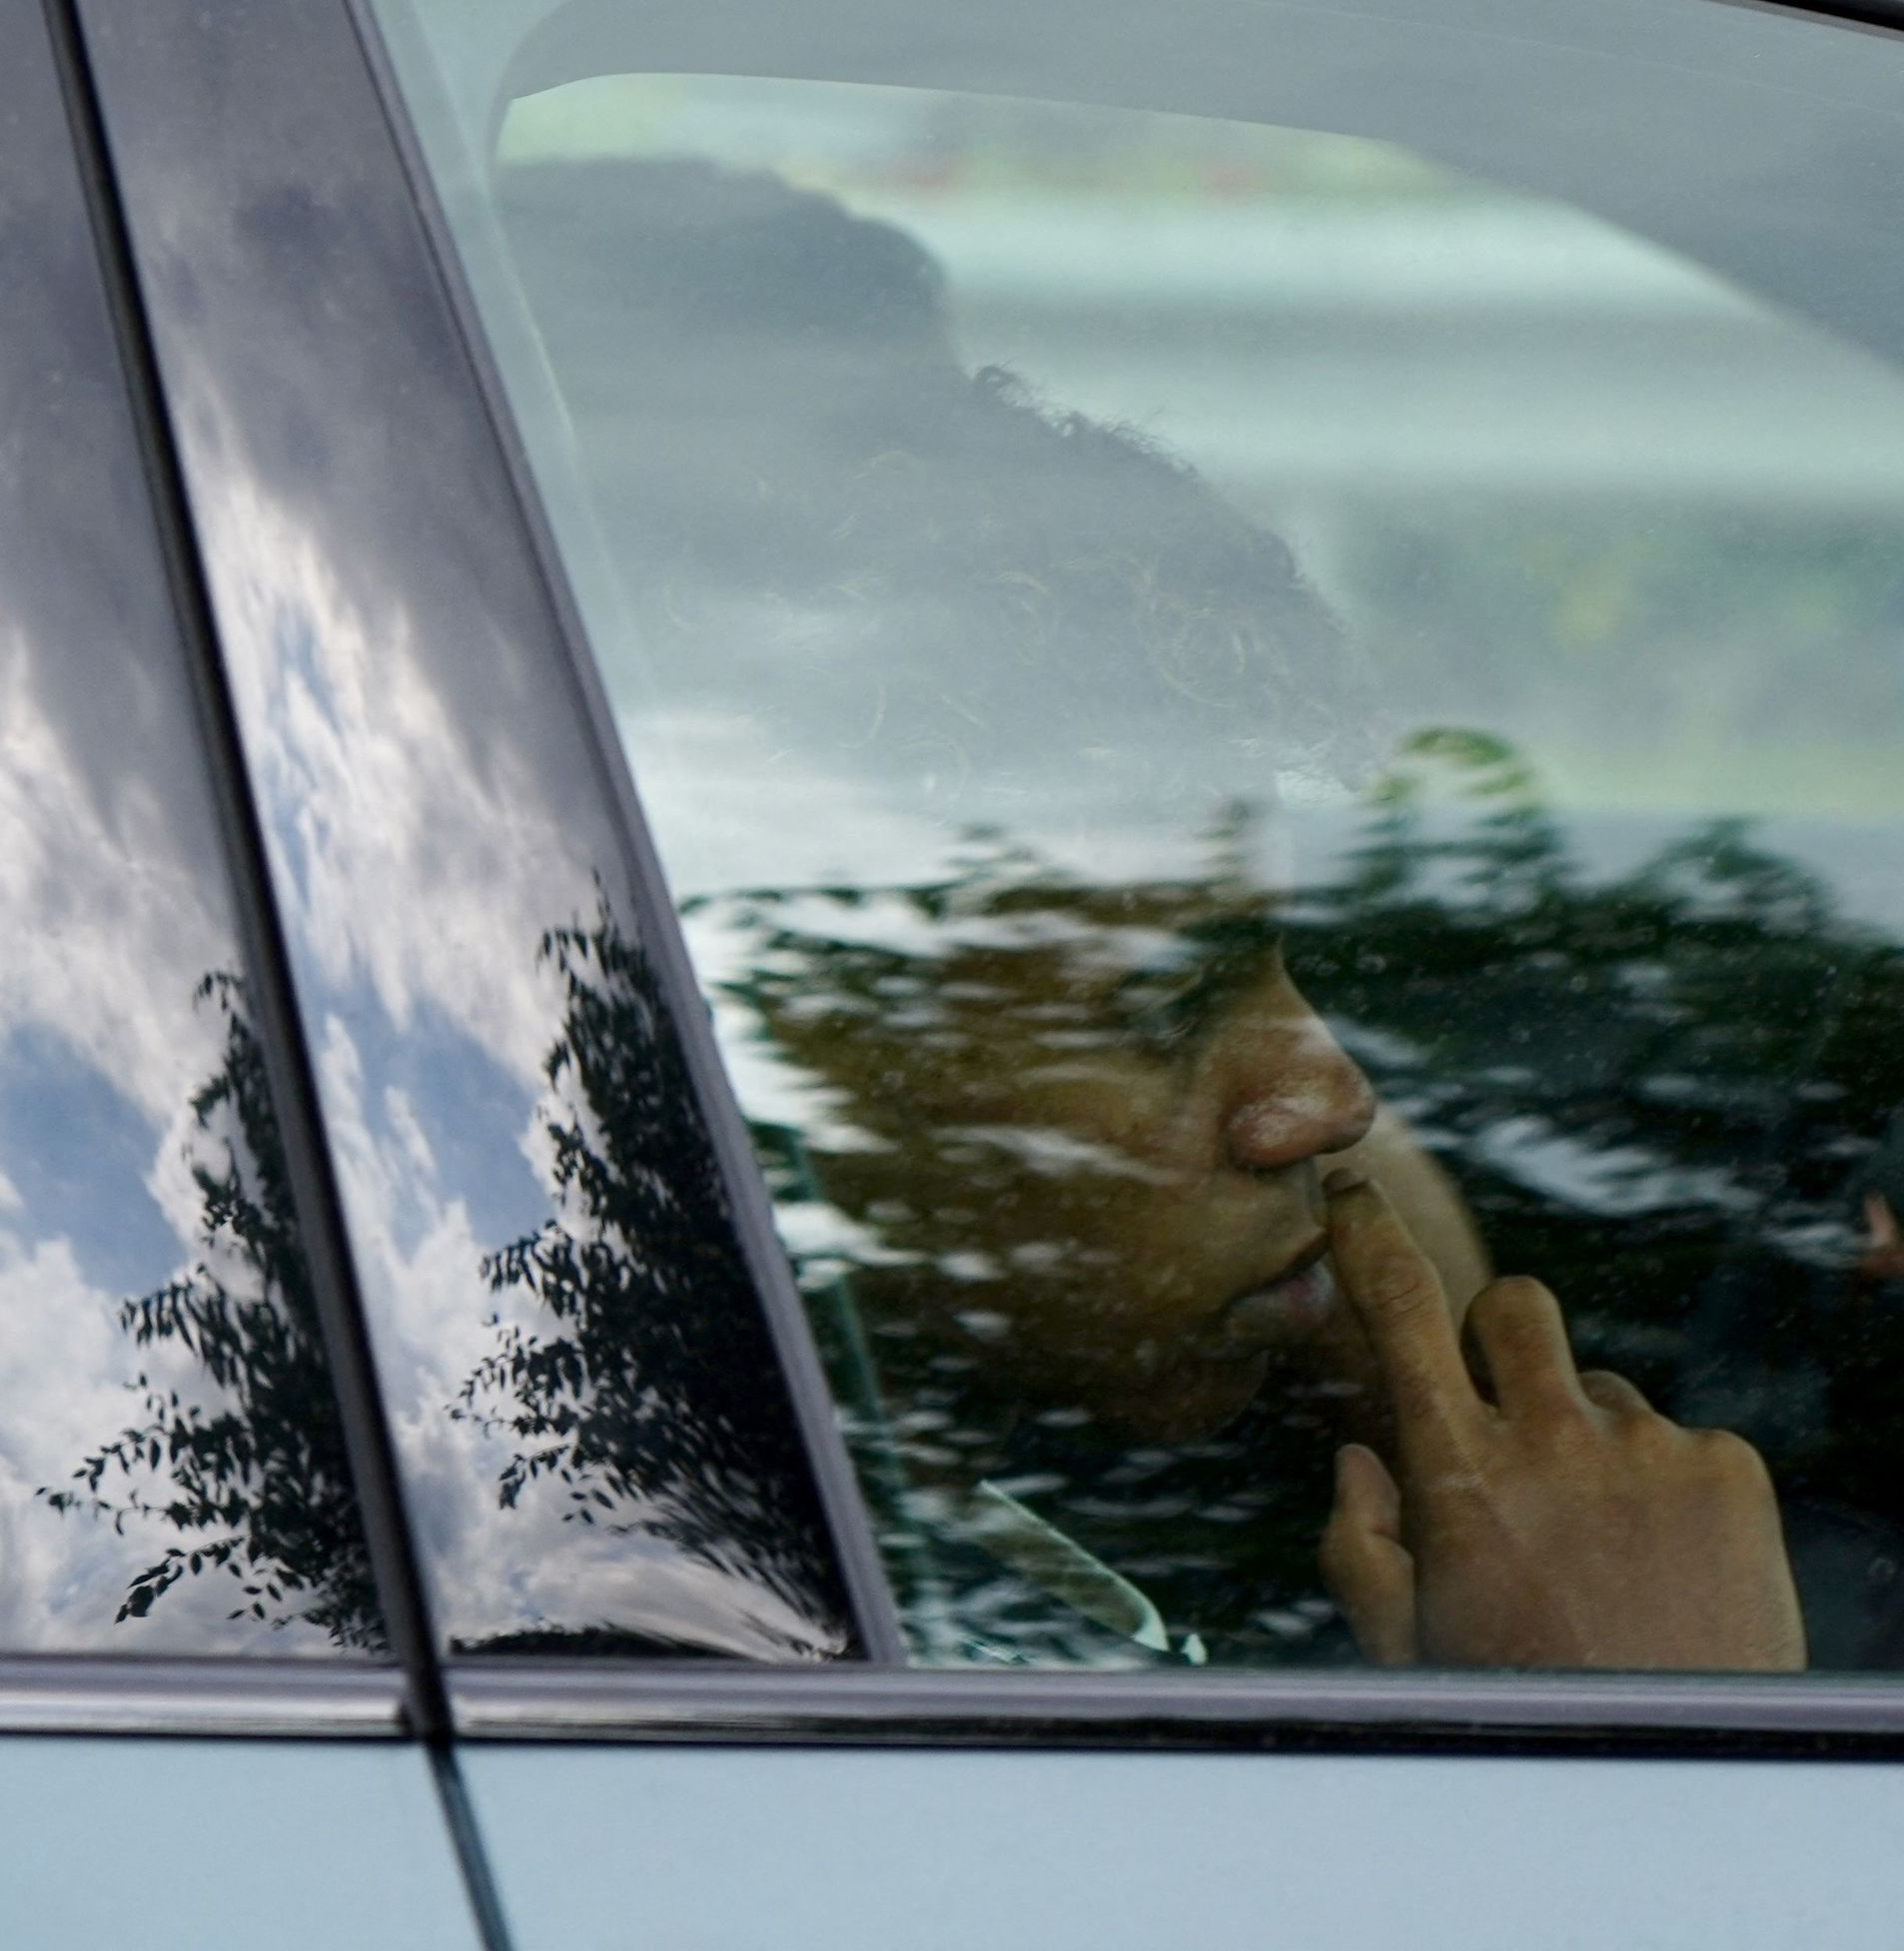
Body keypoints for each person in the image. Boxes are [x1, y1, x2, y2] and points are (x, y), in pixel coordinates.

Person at [496, 156, 1805, 1671]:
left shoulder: (861, 1468)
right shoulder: (670, 1625)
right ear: (774, 1050)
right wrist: (1635, 1718)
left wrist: (1422, 1396)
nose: (1335, 1099)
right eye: (1163, 1006)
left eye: (1282, 963)